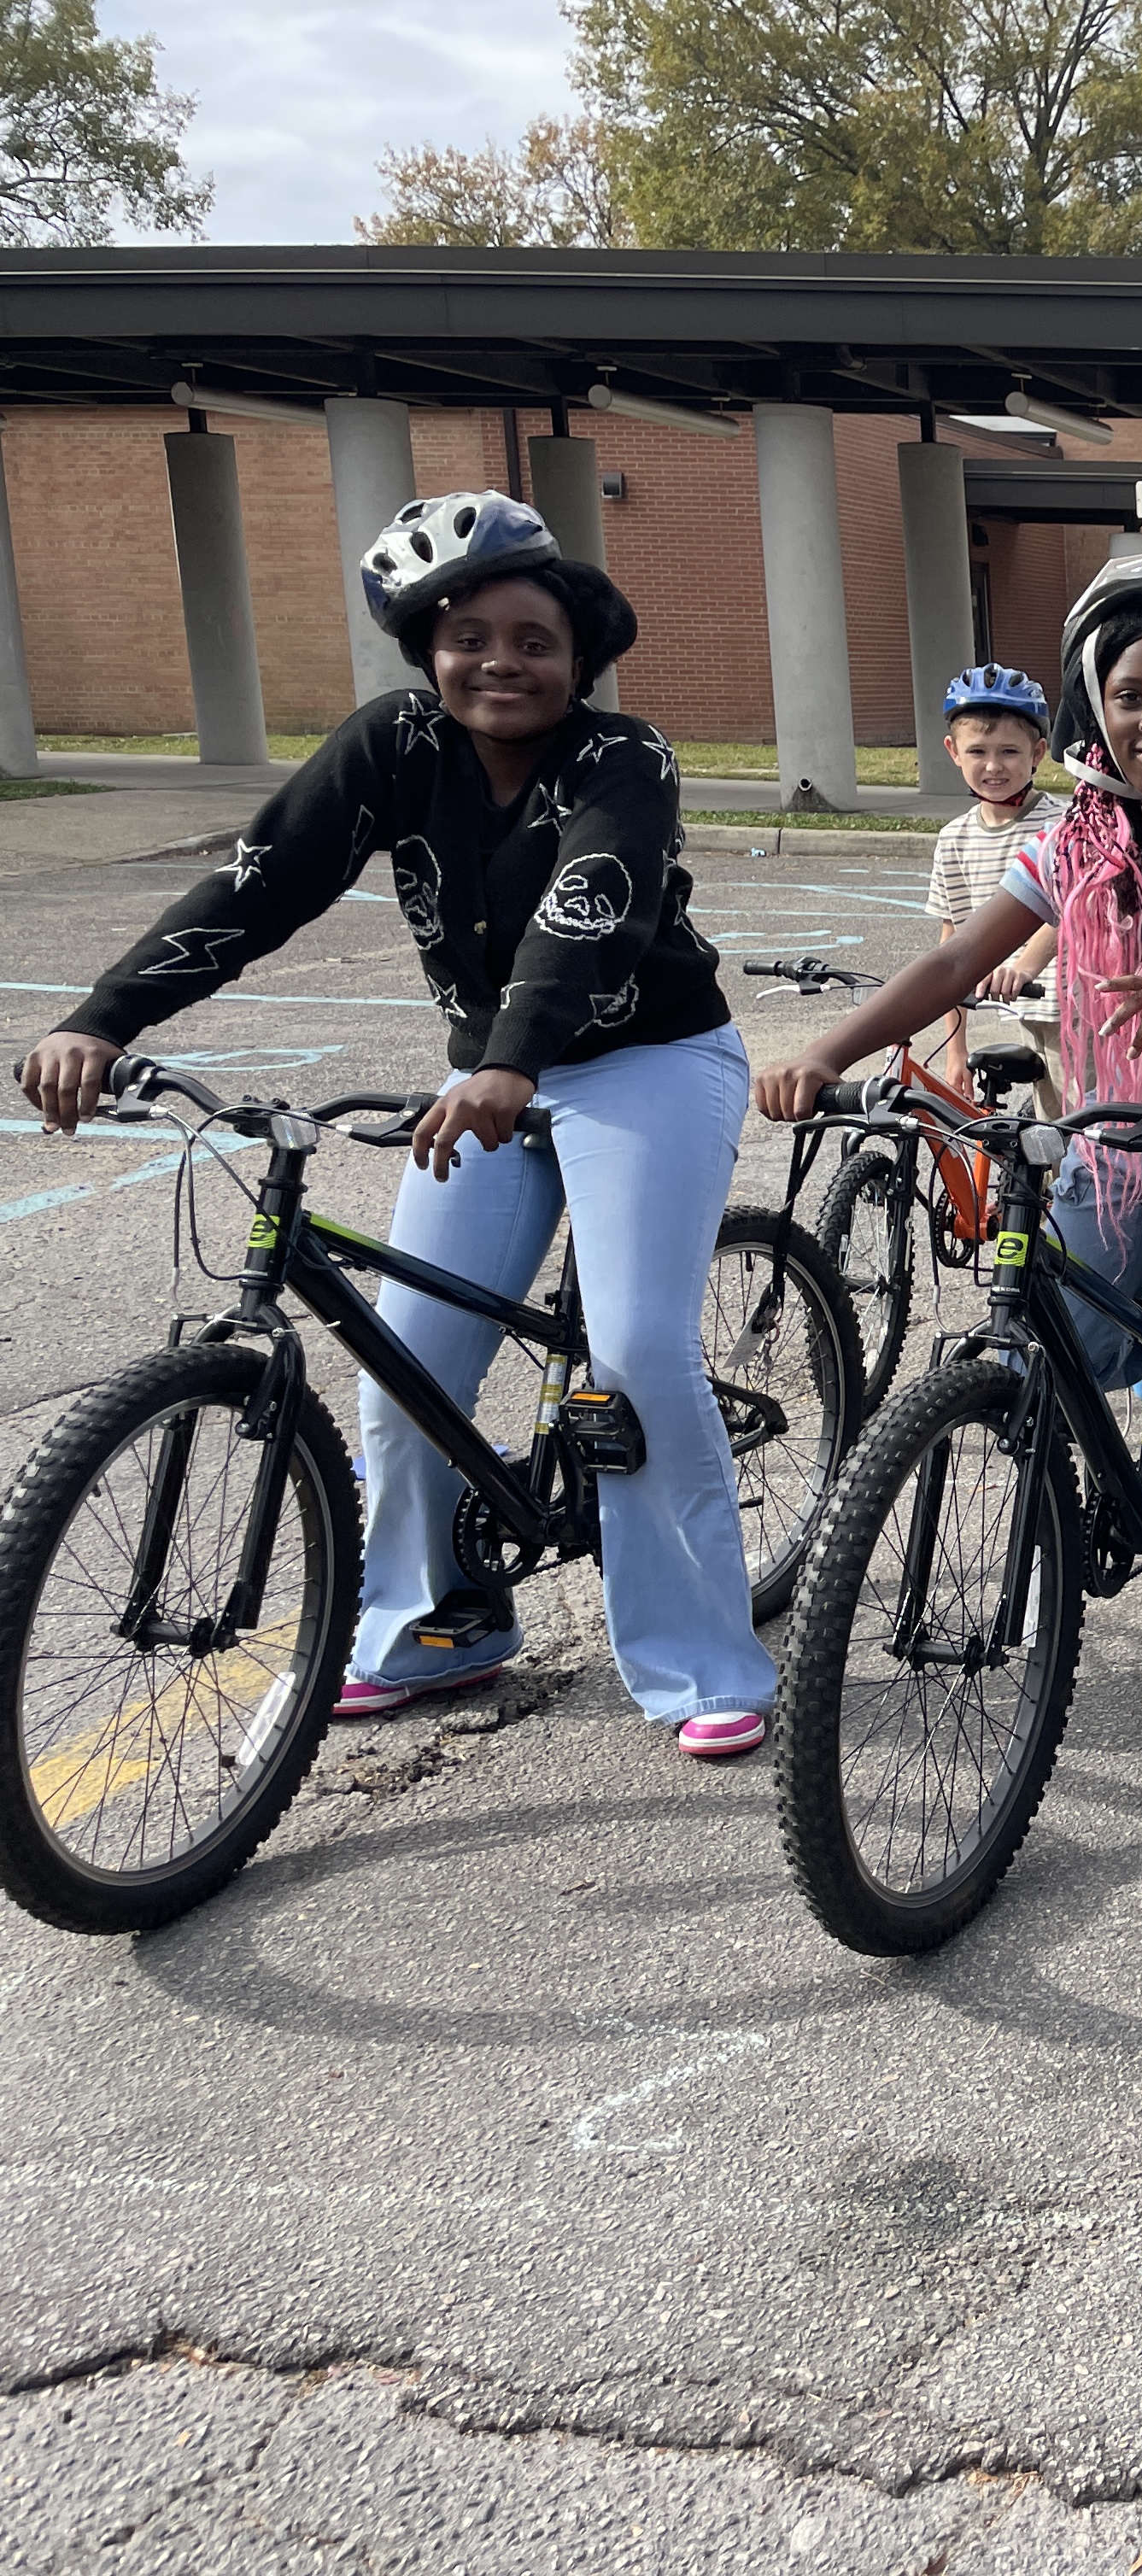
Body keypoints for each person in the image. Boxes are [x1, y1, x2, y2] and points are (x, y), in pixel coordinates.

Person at [17, 493, 778, 1759]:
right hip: (487, 1076)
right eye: (468, 636)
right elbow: (261, 886)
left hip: (645, 1061)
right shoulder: (391, 747)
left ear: (578, 655)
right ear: (428, 648)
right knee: (408, 1359)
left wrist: (510, 1059)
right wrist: (104, 1019)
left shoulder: (623, 757)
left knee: (639, 1349)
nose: (501, 663)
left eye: (533, 639)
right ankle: (436, 1622)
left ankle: (705, 1659)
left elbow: (592, 905)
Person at [756, 553, 1142, 1758]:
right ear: (1095, 703)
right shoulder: (1071, 846)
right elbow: (952, 966)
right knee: (1038, 1356)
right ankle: (1062, 1510)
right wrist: (827, 1054)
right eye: (1133, 695)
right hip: (1110, 1141)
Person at [922, 664, 1062, 1091]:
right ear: (953, 751)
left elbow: (1071, 913)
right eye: (978, 751)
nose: (993, 766)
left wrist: (1022, 966)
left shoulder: (1063, 824)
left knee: (1084, 1140)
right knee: (1043, 1137)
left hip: (1079, 1010)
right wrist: (955, 1050)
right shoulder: (955, 839)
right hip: (1022, 1010)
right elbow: (955, 943)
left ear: (1037, 753)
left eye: (1010, 752)